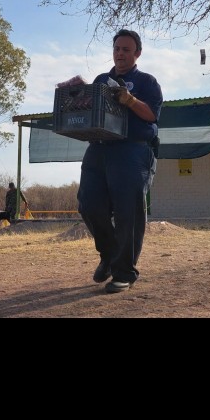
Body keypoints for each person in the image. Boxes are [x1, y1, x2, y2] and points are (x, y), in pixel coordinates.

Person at [74, 29, 163, 293]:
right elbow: (91, 109)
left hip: (132, 150)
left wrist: (131, 100)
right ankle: (110, 256)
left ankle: (123, 273)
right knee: (89, 204)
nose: (120, 54)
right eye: (116, 49)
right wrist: (77, 97)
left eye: (126, 49)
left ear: (137, 53)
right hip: (99, 147)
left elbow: (152, 115)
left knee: (128, 212)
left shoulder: (147, 81)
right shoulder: (102, 80)